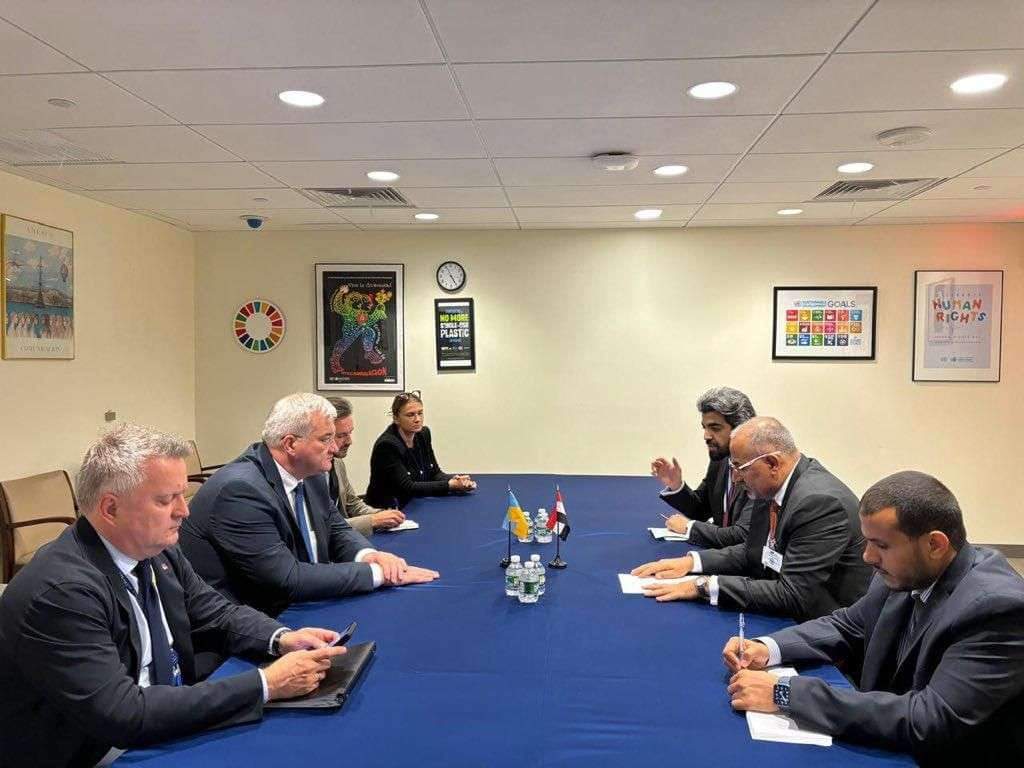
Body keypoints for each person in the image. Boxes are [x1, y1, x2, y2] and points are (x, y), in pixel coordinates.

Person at [0, 424, 346, 768]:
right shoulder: (61, 593)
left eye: (182, 495)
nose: (184, 510)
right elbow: (124, 714)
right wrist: (266, 684)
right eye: (166, 500)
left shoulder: (157, 549)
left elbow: (215, 612)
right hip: (95, 751)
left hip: (164, 714)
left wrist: (281, 638)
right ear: (110, 509)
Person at [723, 471, 1024, 764]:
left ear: (935, 544)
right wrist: (767, 647)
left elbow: (931, 718)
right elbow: (847, 625)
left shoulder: (997, 609)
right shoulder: (904, 572)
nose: (867, 557)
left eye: (881, 545)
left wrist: (785, 693)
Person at [181, 393, 439, 618]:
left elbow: (335, 528)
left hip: (299, 604)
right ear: (291, 444)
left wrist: (369, 556)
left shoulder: (311, 473)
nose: (335, 448)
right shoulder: (240, 491)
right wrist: (378, 574)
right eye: (326, 439)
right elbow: (287, 578)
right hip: (249, 622)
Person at [632, 417, 871, 621]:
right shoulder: (771, 484)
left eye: (740, 468)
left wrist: (703, 585)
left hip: (826, 626)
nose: (735, 478)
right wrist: (692, 563)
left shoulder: (819, 503)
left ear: (772, 463)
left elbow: (793, 594)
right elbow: (753, 552)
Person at [652, 386, 756, 548]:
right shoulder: (720, 460)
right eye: (705, 427)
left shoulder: (759, 467)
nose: (706, 436)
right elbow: (701, 510)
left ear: (741, 429)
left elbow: (742, 536)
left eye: (715, 428)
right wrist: (676, 485)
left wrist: (689, 528)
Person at [364, 390, 475, 509]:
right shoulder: (387, 445)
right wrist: (450, 485)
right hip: (387, 509)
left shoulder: (423, 434)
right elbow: (407, 487)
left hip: (416, 503)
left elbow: (434, 473)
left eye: (420, 413)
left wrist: (456, 480)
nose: (417, 419)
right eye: (410, 415)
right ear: (396, 419)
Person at [325, 396, 405, 536]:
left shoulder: (337, 463)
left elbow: (352, 503)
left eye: (350, 433)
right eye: (341, 435)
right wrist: (372, 520)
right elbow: (323, 528)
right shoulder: (307, 474)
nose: (349, 441)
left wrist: (381, 514)